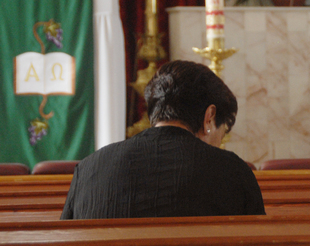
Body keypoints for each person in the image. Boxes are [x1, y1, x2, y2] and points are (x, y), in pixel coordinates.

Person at [61, 60, 265, 219]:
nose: (218, 145)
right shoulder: (233, 172)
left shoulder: (88, 169)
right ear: (209, 117)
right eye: (222, 134)